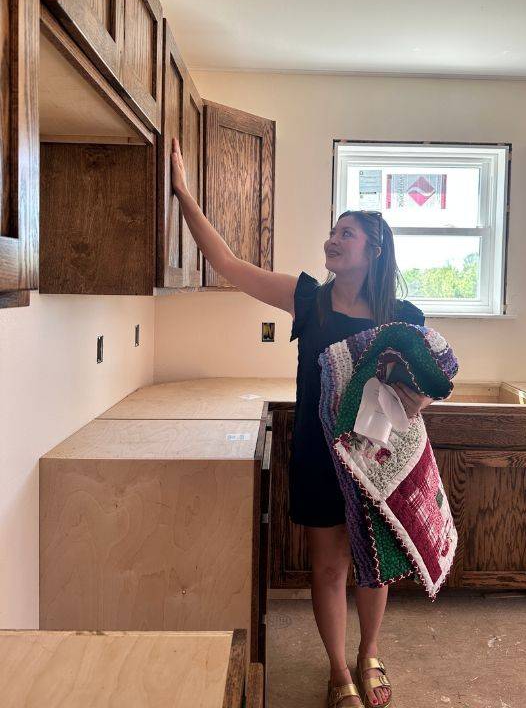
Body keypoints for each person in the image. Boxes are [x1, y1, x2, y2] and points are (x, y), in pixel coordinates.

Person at [170, 138, 433, 708]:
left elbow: (421, 398)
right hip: (318, 456)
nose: (333, 240)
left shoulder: (404, 318)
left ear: (375, 248)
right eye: (333, 232)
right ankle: (339, 673)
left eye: (347, 234)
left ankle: (370, 655)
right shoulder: (308, 299)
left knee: (373, 566)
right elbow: (229, 265)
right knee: (330, 567)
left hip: (377, 465)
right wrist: (185, 195)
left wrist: (410, 395)